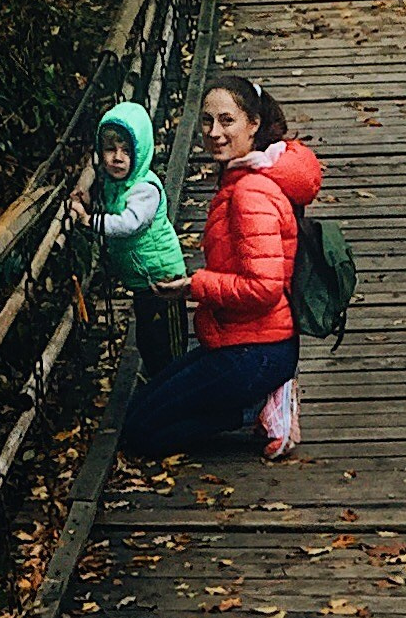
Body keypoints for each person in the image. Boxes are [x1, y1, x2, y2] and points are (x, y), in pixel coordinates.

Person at [127, 73, 320, 462]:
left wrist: (194, 286)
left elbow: (263, 288)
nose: (213, 132)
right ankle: (253, 399)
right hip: (240, 340)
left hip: (259, 349)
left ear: (254, 125)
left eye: (227, 121)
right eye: (206, 121)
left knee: (140, 436)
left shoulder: (251, 192)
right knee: (140, 409)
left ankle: (258, 408)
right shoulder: (241, 176)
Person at [70, 99, 186, 386]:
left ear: (141, 152)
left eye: (126, 150)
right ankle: (160, 386)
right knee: (148, 339)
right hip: (141, 281)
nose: (117, 158)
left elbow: (129, 224)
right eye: (110, 149)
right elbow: (103, 192)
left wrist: (88, 220)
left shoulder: (144, 189)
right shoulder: (113, 182)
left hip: (163, 280)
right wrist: (85, 194)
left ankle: (174, 389)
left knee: (168, 343)